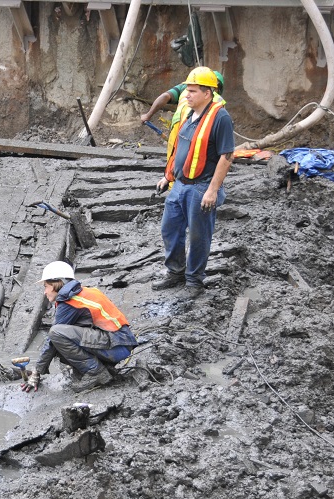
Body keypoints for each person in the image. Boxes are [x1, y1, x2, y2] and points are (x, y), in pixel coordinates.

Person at [151, 67, 234, 300]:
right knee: (170, 228)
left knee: (199, 236)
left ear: (208, 93)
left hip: (201, 187)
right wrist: (168, 176)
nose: (187, 95)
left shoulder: (220, 117)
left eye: (193, 91)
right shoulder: (189, 112)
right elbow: (181, 148)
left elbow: (226, 156)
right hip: (179, 184)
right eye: (187, 90)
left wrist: (212, 190)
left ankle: (194, 281)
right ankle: (176, 272)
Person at [22, 261, 138, 394]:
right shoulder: (82, 292)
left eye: (46, 286)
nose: (44, 292)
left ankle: (96, 372)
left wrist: (37, 372)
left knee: (56, 334)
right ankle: (103, 368)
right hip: (120, 343)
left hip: (117, 346)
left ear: (57, 284)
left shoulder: (69, 301)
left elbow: (52, 339)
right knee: (60, 341)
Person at [140, 67, 225, 161]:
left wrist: (148, 115)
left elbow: (165, 96)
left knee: (173, 163)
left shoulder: (184, 88)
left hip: (178, 125)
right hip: (199, 130)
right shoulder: (219, 101)